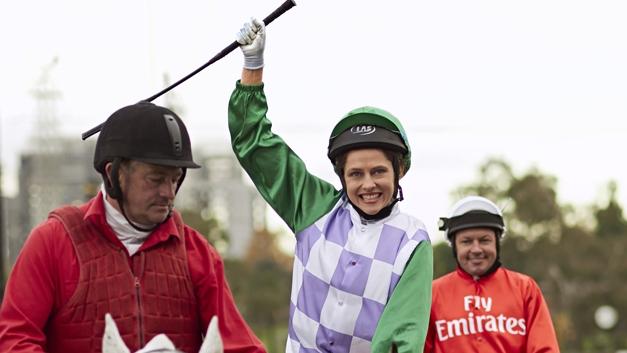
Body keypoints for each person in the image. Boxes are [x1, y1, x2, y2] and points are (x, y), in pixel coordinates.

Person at [229, 18, 433, 353]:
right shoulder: (315, 207)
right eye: (356, 174)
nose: (368, 185)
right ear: (342, 176)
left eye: (378, 172)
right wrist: (253, 67)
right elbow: (254, 145)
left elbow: (403, 337)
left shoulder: (413, 242)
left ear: (399, 171)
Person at [0, 102, 266, 353]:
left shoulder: (198, 252)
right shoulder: (52, 242)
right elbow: (15, 339)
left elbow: (240, 346)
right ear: (114, 173)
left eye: (175, 180)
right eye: (156, 179)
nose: (169, 193)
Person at [424, 196, 560, 353]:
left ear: (497, 243)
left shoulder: (525, 289)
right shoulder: (432, 293)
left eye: (484, 240)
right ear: (454, 246)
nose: (476, 249)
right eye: (466, 241)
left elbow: (545, 348)